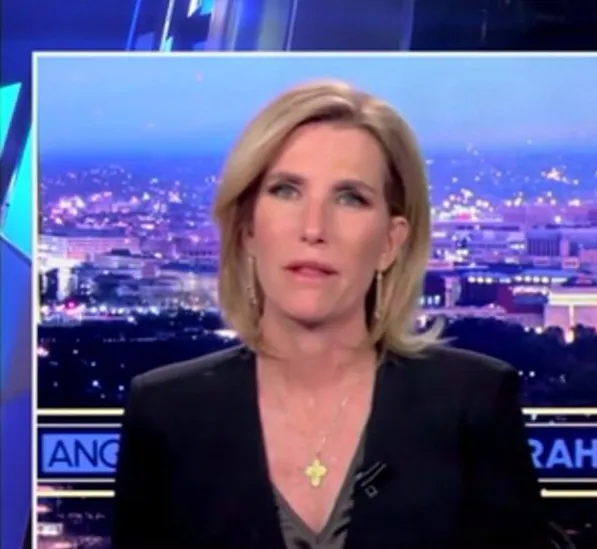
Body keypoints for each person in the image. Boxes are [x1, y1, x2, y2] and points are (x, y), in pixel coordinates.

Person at [112, 80, 552, 548]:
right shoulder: (166, 411)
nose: (314, 228)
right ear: (247, 229)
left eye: (350, 198)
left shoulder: (473, 404)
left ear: (390, 241)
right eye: (286, 190)